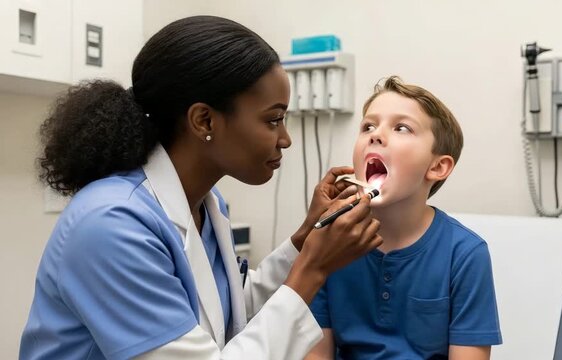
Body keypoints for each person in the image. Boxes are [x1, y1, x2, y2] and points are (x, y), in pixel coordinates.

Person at [20, 16, 382, 360]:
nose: (285, 139)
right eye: (273, 120)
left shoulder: (207, 204)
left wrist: (305, 239)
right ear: (203, 120)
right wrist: (314, 268)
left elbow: (227, 314)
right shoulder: (110, 225)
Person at [306, 76, 502, 360]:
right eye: (368, 126)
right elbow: (315, 354)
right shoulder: (330, 241)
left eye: (401, 128)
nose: (376, 135)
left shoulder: (465, 255)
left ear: (437, 167)